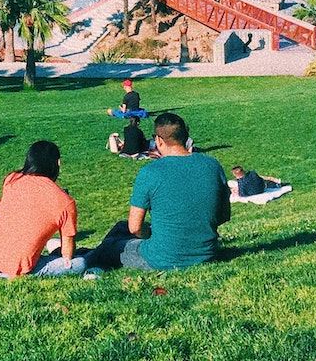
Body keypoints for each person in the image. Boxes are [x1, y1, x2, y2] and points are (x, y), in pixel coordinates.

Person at [76, 113, 230, 274]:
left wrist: (150, 234)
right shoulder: (212, 165)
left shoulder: (150, 172)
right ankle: (91, 258)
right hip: (207, 253)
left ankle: (83, 260)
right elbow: (224, 215)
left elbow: (135, 228)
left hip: (162, 258)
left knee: (111, 246)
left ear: (158, 140)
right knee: (121, 227)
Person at [0, 140, 78, 278]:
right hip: (12, 271)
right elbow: (68, 254)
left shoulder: (12, 179)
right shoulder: (65, 202)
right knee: (80, 263)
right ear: (58, 163)